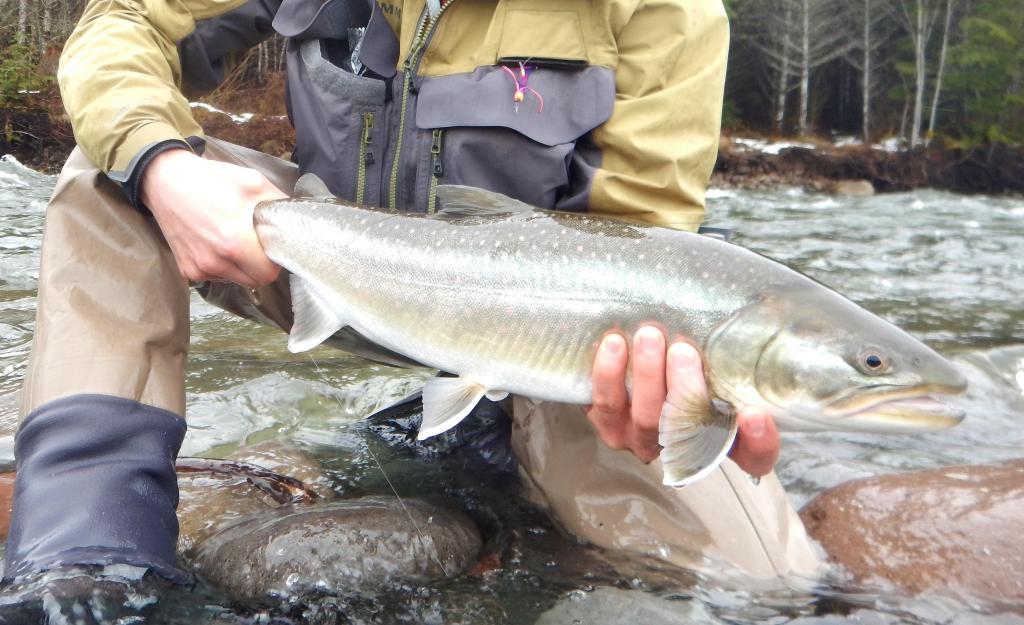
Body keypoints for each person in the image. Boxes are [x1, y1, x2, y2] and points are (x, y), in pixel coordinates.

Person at [3, 0, 821, 616]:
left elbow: (642, 247)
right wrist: (164, 168)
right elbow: (122, 26)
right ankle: (88, 542)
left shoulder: (663, 9)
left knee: (766, 583)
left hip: (545, 327)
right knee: (107, 173)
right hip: (326, 257)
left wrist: (670, 391)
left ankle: (495, 426)